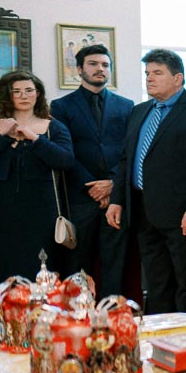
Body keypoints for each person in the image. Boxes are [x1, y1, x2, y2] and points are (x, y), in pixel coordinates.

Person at [107, 49, 186, 316]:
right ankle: (160, 341)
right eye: (147, 73)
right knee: (157, 284)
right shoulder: (139, 112)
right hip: (143, 211)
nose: (150, 79)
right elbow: (126, 159)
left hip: (184, 214)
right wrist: (117, 200)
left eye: (158, 73)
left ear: (177, 78)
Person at [0, 71, 76, 286]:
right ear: (7, 95)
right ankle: (7, 319)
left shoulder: (53, 127)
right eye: (16, 91)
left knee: (45, 273)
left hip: (42, 213)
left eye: (29, 90)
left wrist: (35, 138)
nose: (23, 96)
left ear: (38, 94)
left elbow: (66, 161)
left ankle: (44, 319)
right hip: (1, 212)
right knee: (3, 273)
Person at [49, 43, 134, 297]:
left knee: (114, 263)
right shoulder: (60, 106)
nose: (100, 69)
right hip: (79, 196)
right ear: (79, 69)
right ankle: (78, 319)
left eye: (105, 65)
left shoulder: (126, 105)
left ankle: (112, 318)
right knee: (77, 264)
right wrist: (93, 187)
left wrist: (111, 184)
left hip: (116, 197)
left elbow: (129, 151)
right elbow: (64, 152)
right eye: (93, 64)